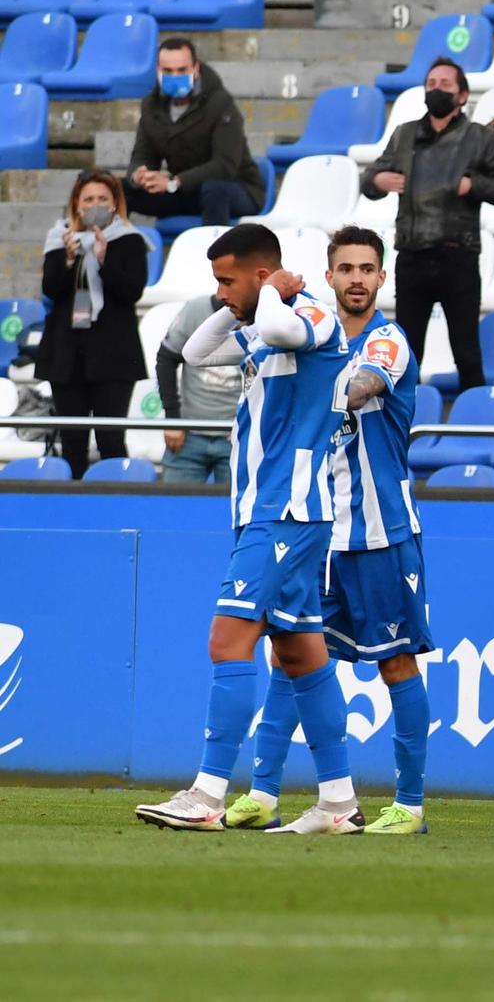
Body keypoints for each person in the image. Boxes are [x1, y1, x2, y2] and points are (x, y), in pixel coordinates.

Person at [132, 224, 361, 833]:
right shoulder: (265, 315)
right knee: (300, 652)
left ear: (262, 274)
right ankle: (339, 801)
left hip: (286, 509)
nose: (219, 292)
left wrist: (271, 297)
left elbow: (283, 328)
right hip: (272, 509)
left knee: (227, 639)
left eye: (226, 280)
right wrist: (243, 300)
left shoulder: (310, 314)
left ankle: (207, 795)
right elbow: (198, 353)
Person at [222, 226, 434, 835]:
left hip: (377, 531)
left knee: (395, 664)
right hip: (315, 526)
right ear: (330, 274)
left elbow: (369, 381)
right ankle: (263, 793)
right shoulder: (312, 334)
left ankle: (410, 805)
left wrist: (338, 392)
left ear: (382, 278)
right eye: (346, 269)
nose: (358, 279)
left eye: (368, 268)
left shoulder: (386, 341)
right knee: (290, 656)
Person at [359, 59, 494, 387]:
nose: (436, 90)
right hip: (411, 257)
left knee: (466, 352)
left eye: (445, 85)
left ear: (463, 96)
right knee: (406, 354)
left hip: (458, 256)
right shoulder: (404, 134)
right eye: (431, 83)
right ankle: (403, 427)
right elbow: (368, 180)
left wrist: (474, 185)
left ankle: (474, 428)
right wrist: (380, 180)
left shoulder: (479, 137)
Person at [38, 168, 147, 479]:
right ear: (76, 204)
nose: (95, 204)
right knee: (72, 440)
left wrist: (103, 259)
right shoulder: (59, 239)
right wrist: (69, 259)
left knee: (111, 439)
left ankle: (117, 505)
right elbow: (51, 289)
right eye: (88, 199)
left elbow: (130, 292)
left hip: (112, 354)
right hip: (66, 353)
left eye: (102, 198)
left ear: (115, 204)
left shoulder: (128, 239)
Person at [125, 41, 265, 227]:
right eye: (167, 71)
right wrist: (139, 175)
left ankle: (214, 253)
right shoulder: (151, 106)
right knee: (116, 189)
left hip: (235, 189)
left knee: (214, 190)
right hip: (184, 191)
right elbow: (143, 155)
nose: (175, 76)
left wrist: (173, 183)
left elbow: (224, 166)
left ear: (196, 68)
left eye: (182, 70)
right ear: (158, 70)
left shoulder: (220, 103)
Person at [155, 294, 238, 484]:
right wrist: (173, 421)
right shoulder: (195, 310)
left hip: (237, 435)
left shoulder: (263, 316)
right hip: (187, 434)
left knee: (237, 510)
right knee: (173, 508)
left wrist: (249, 425)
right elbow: (166, 358)